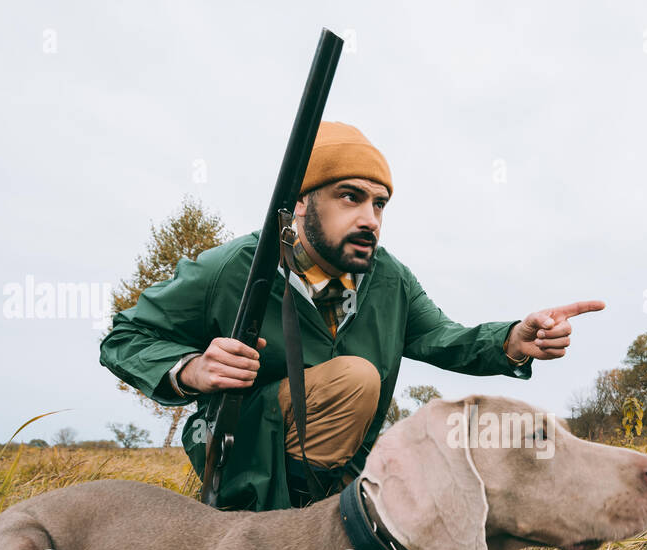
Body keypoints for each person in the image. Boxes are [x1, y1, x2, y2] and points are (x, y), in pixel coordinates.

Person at [100, 121, 603, 510]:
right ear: (299, 203)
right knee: (356, 379)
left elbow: (442, 337)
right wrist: (191, 369)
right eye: (350, 197)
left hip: (346, 461)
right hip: (243, 455)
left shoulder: (390, 277)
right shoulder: (234, 268)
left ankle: (333, 522)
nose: (370, 218)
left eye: (379, 203)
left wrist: (513, 340)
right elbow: (124, 337)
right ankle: (280, 527)